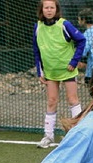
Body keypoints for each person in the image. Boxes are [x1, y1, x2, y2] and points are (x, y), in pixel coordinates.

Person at [33, 0, 86, 148]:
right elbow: (36, 50)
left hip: (67, 70)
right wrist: (40, 71)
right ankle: (48, 136)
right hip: (50, 72)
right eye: (46, 7)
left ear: (56, 9)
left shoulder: (64, 25)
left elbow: (81, 40)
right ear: (41, 10)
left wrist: (74, 62)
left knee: (72, 99)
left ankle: (79, 133)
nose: (49, 10)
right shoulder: (38, 27)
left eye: (52, 7)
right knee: (51, 101)